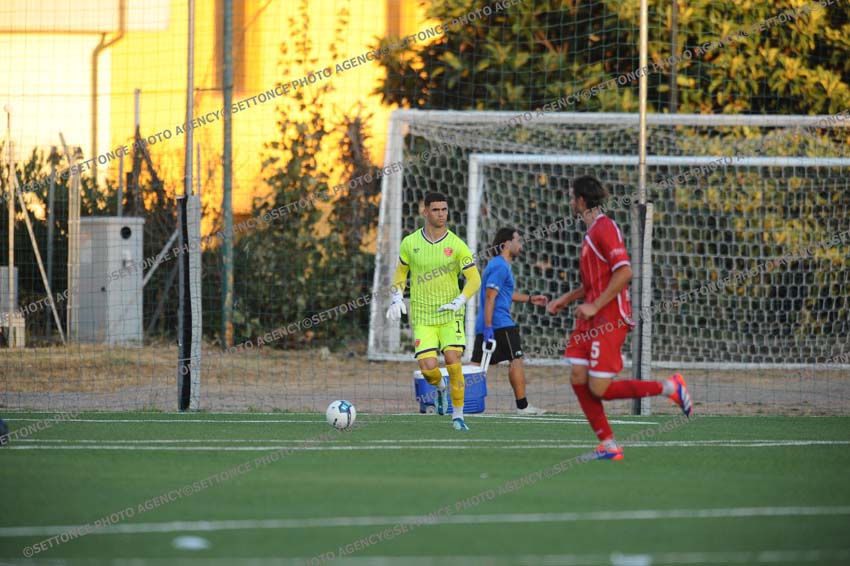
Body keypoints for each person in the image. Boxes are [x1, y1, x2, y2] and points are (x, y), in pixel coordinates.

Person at [548, 175, 692, 460]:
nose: (570, 202)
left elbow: (625, 272)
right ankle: (609, 445)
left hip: (609, 318)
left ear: (581, 200)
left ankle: (670, 387)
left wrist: (594, 306)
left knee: (598, 388)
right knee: (577, 374)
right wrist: (568, 299)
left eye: (572, 197)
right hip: (590, 318)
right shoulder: (590, 232)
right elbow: (596, 282)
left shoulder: (605, 227)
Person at [386, 192, 481, 430]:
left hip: (450, 314)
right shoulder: (410, 243)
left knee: (452, 359)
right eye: (436, 210)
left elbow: (474, 279)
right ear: (425, 211)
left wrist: (460, 300)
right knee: (428, 368)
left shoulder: (457, 245)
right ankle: (440, 388)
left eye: (444, 209)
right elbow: (400, 275)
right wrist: (396, 298)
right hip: (423, 316)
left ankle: (458, 416)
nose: (441, 214)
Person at [470, 227, 548, 415]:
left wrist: (530, 299)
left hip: (488, 323)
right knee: (516, 359)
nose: (521, 244)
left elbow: (504, 294)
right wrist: (489, 327)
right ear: (506, 244)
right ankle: (523, 407)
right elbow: (490, 297)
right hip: (499, 323)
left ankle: (458, 400)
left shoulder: (498, 265)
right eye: (518, 240)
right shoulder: (500, 266)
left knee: (475, 366)